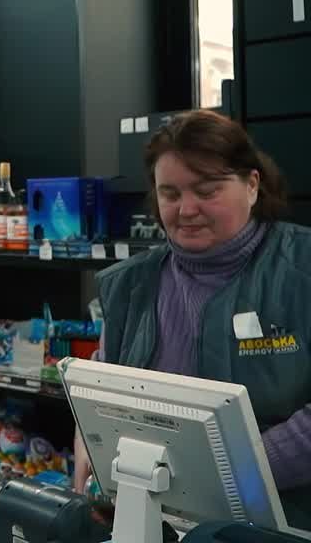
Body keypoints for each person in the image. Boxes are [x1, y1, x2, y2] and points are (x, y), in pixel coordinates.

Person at [75, 110, 311, 527]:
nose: (186, 209)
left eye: (207, 190)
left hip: (281, 521)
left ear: (252, 185)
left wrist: (232, 475)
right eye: (169, 193)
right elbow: (102, 386)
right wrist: (89, 441)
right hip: (147, 517)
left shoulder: (301, 269)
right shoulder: (129, 285)